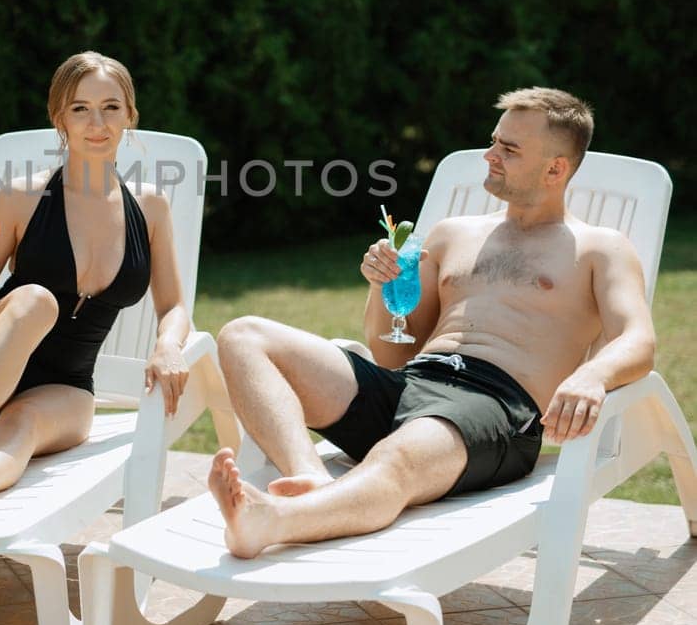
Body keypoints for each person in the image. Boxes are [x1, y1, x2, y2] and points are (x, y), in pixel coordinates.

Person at [209, 87, 656, 559]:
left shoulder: (599, 248)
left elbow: (639, 339)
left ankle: (271, 521)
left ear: (555, 168)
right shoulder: (451, 235)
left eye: (509, 149)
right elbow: (393, 352)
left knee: (394, 457)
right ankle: (312, 480)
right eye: (494, 142)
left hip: (495, 408)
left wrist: (591, 375)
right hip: (412, 383)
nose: (489, 156)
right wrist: (380, 287)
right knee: (243, 335)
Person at [0, 52, 189, 521]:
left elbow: (173, 304)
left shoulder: (150, 208)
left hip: (66, 386)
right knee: (36, 299)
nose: (97, 122)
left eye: (111, 107)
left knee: (22, 427)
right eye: (80, 108)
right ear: (60, 119)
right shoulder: (21, 196)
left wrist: (168, 344)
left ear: (130, 116)